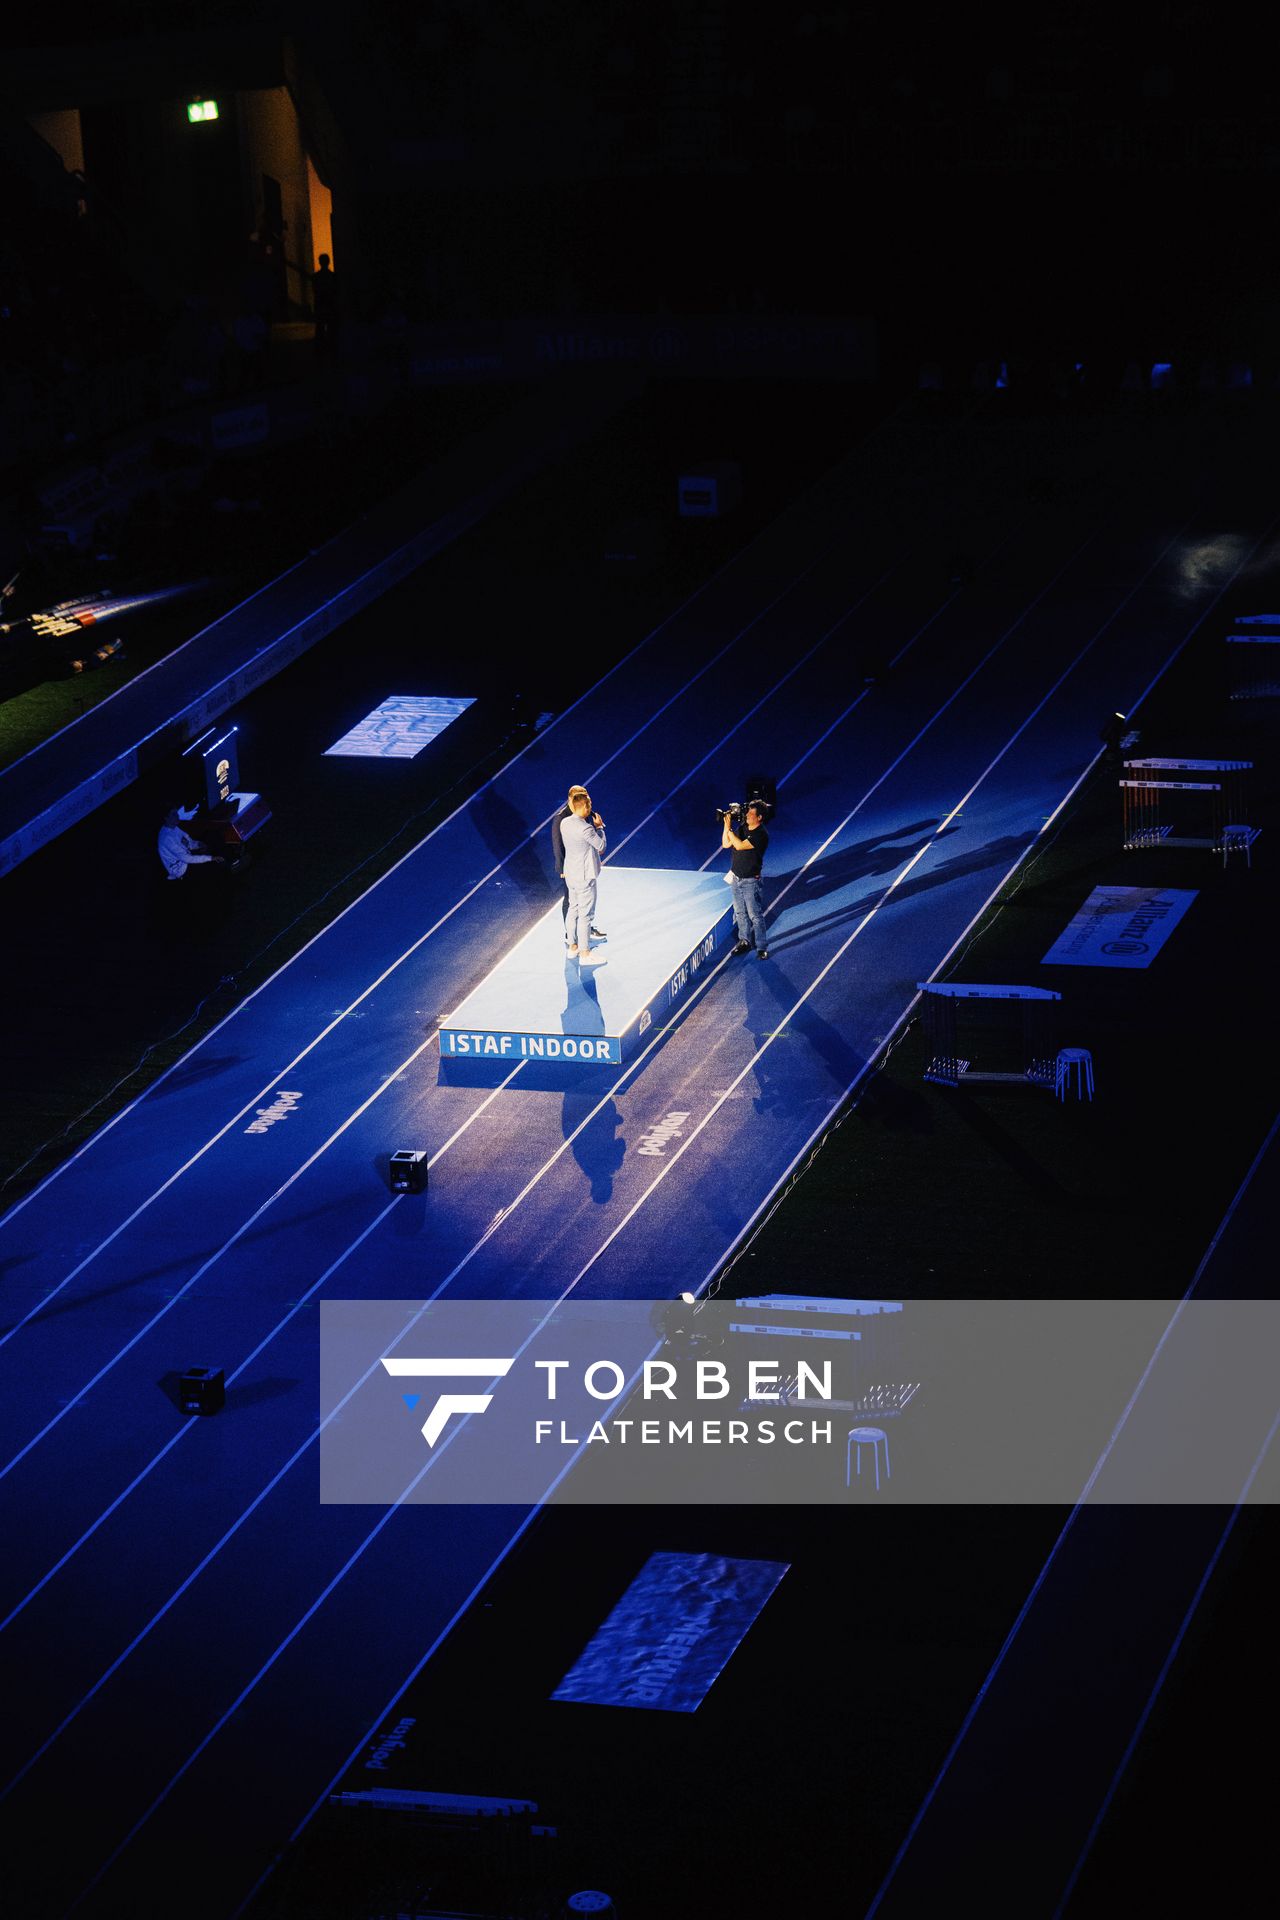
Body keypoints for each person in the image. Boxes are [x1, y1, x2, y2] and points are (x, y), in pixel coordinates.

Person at [553, 785, 606, 946]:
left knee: (575, 907)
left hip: (573, 868)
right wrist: (561, 866)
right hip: (576, 870)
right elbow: (557, 843)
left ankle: (576, 940)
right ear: (573, 799)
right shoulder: (562, 818)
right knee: (575, 906)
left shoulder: (573, 819)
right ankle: (575, 941)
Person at [723, 802, 769, 958]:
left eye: (751, 814)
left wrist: (729, 828)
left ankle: (762, 946)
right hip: (736, 878)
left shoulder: (761, 835)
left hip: (750, 881)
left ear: (759, 817)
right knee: (739, 913)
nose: (747, 815)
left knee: (755, 916)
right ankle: (744, 941)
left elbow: (740, 845)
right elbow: (726, 843)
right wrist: (726, 826)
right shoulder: (743, 828)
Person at [157, 809, 224, 881]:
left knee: (212, 836)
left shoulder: (174, 828)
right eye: (174, 814)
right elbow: (187, 858)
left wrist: (199, 844)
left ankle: (226, 861)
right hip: (182, 870)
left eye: (176, 813)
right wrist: (211, 858)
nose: (177, 816)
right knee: (212, 865)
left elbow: (189, 843)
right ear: (166, 818)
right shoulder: (166, 838)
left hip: (187, 858)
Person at [312, 253, 338, 354]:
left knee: (320, 328)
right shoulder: (333, 276)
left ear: (320, 262)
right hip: (330, 305)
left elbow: (315, 291)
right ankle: (331, 348)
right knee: (331, 328)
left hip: (320, 304)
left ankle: (320, 349)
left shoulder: (316, 277)